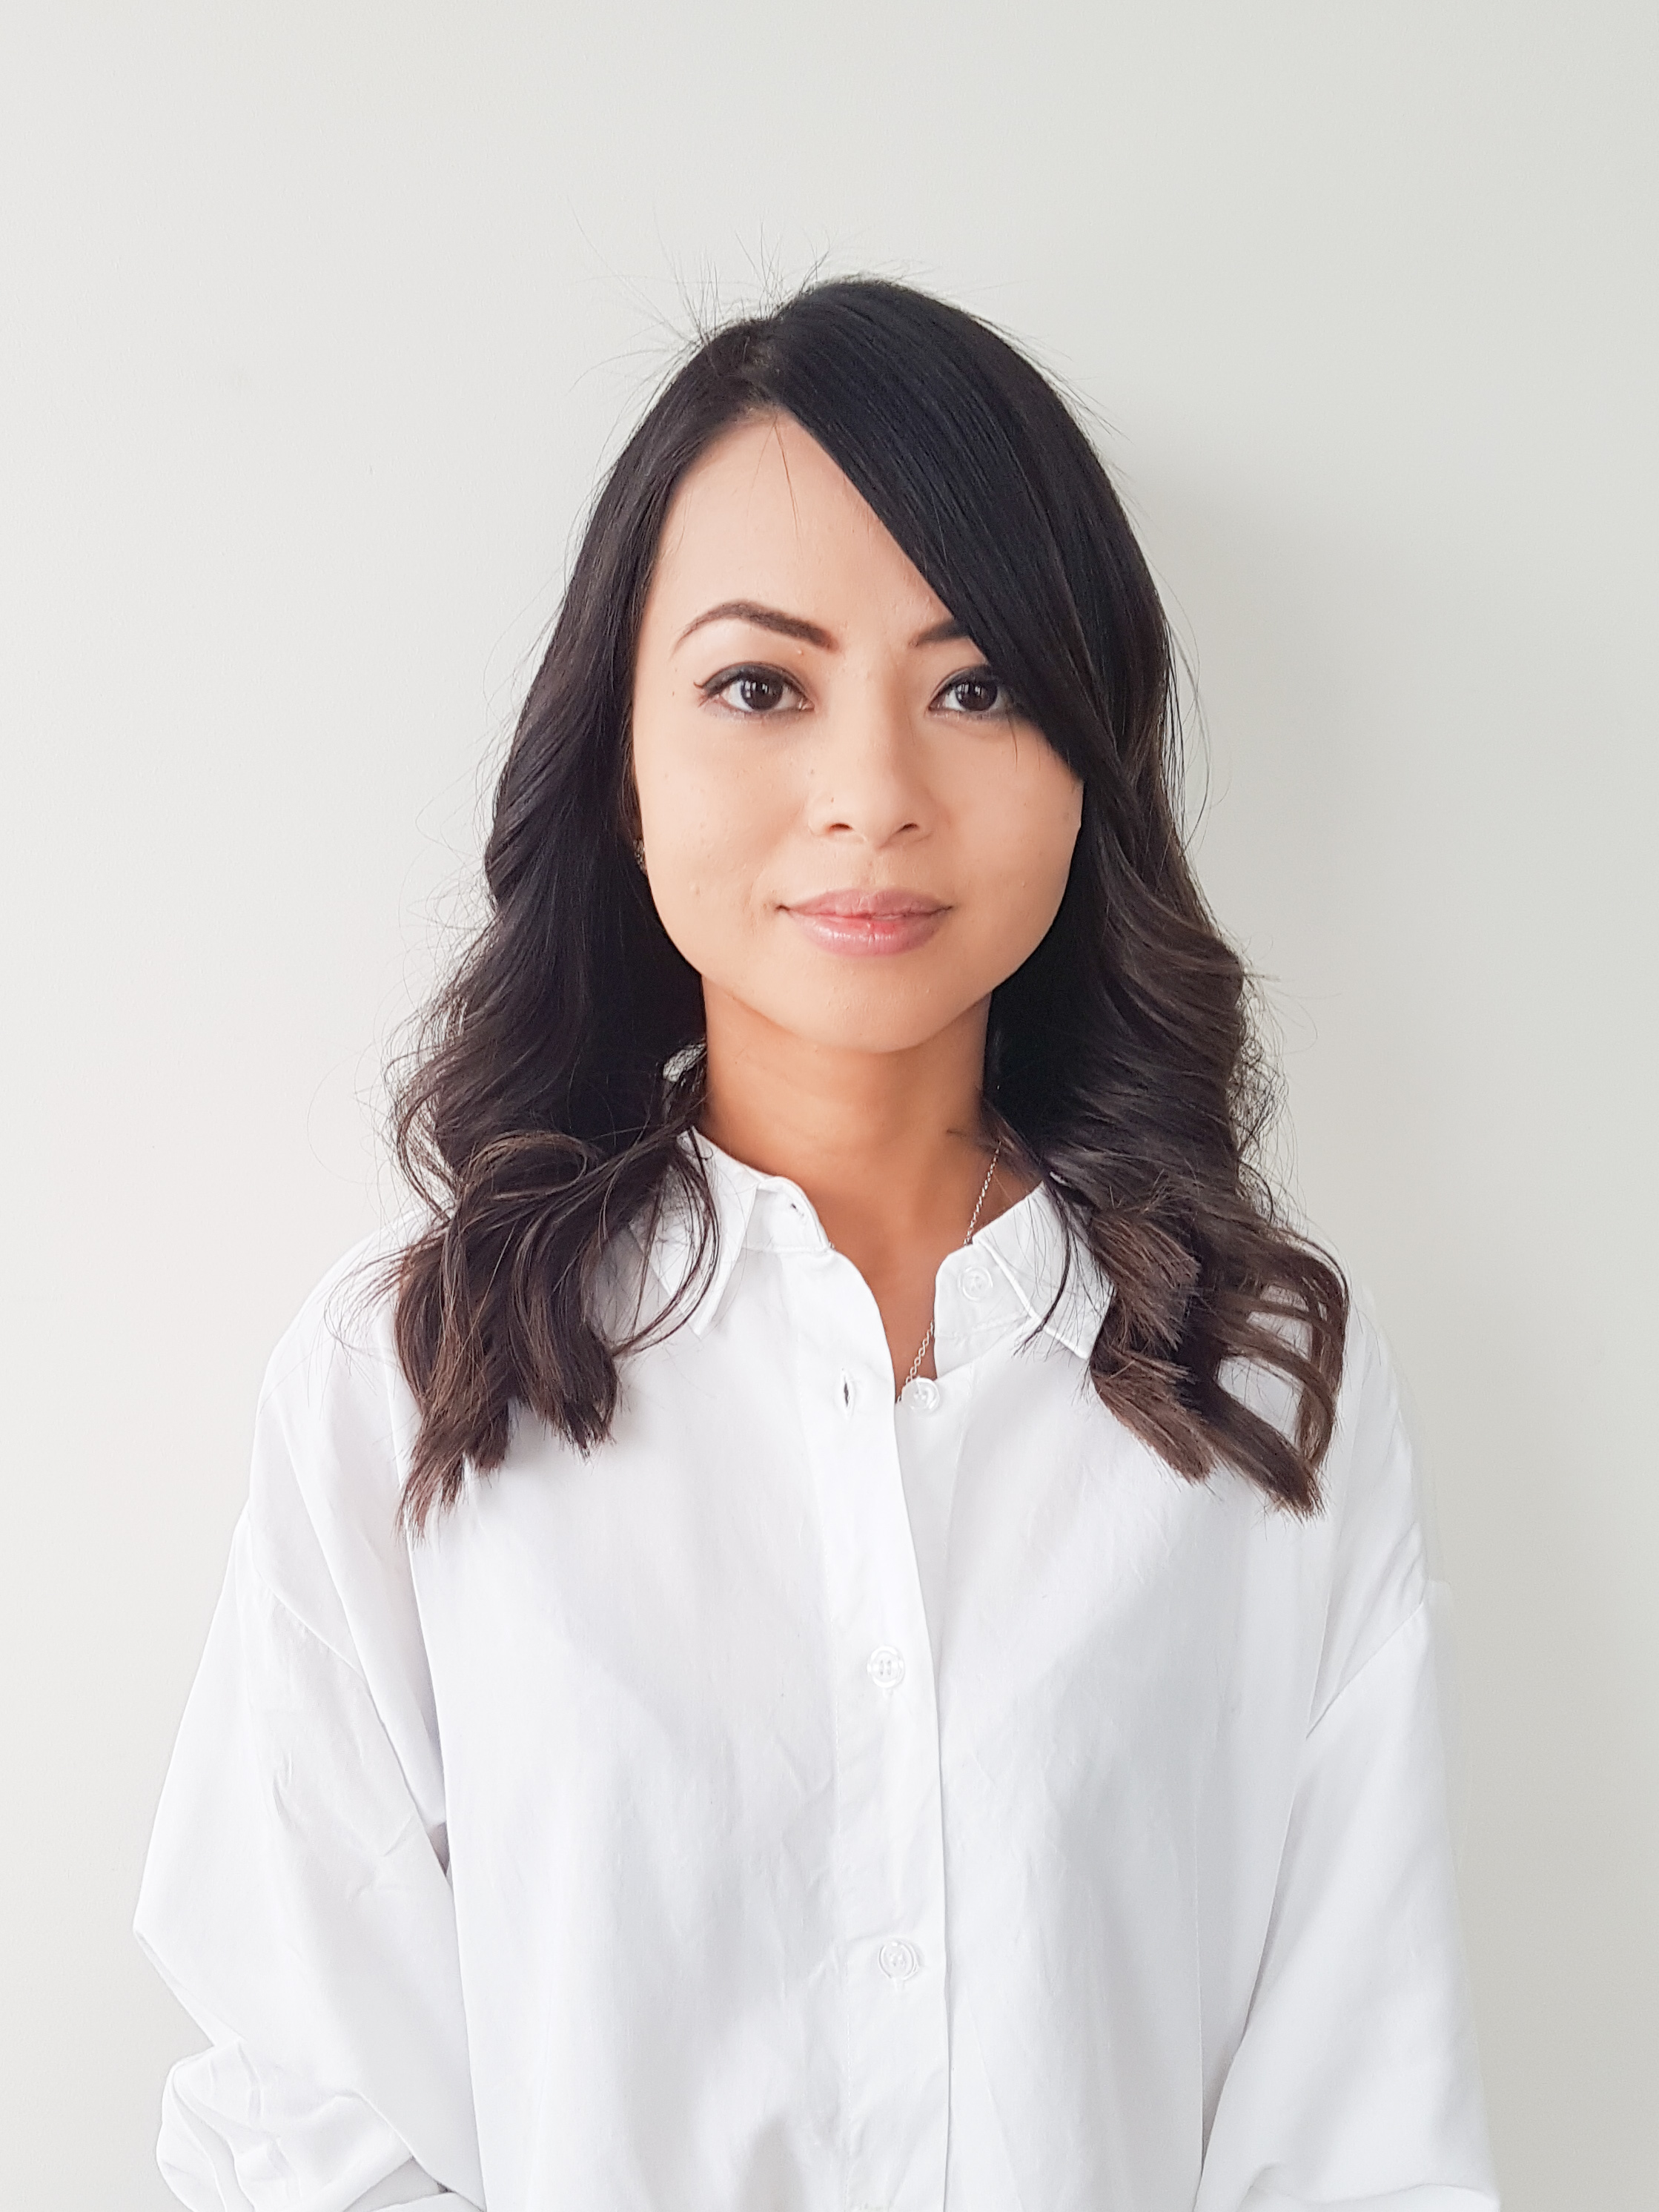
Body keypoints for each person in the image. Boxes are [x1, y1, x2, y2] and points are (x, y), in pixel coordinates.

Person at [136, 277, 1500, 2212]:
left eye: (978, 686)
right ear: (620, 756)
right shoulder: (410, 1383)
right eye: (759, 688)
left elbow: (1362, 2127)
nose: (874, 794)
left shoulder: (1261, 1395)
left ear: (1090, 755)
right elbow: (305, 2123)